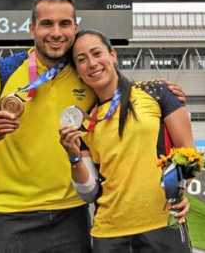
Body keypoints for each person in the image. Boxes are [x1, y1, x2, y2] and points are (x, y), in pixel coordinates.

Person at [0, 0, 186, 252]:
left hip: (72, 213)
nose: (56, 33)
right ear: (32, 28)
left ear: (74, 27)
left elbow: (117, 90)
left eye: (64, 24)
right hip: (11, 211)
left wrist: (162, 93)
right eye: (47, 24)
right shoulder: (0, 73)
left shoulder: (84, 73)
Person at [59, 29, 195, 253]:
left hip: (162, 228)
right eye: (82, 60)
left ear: (113, 55)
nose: (92, 63)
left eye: (97, 53)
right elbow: (89, 192)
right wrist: (73, 156)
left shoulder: (156, 92)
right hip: (109, 236)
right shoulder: (84, 123)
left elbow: (188, 151)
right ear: (79, 73)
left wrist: (180, 192)